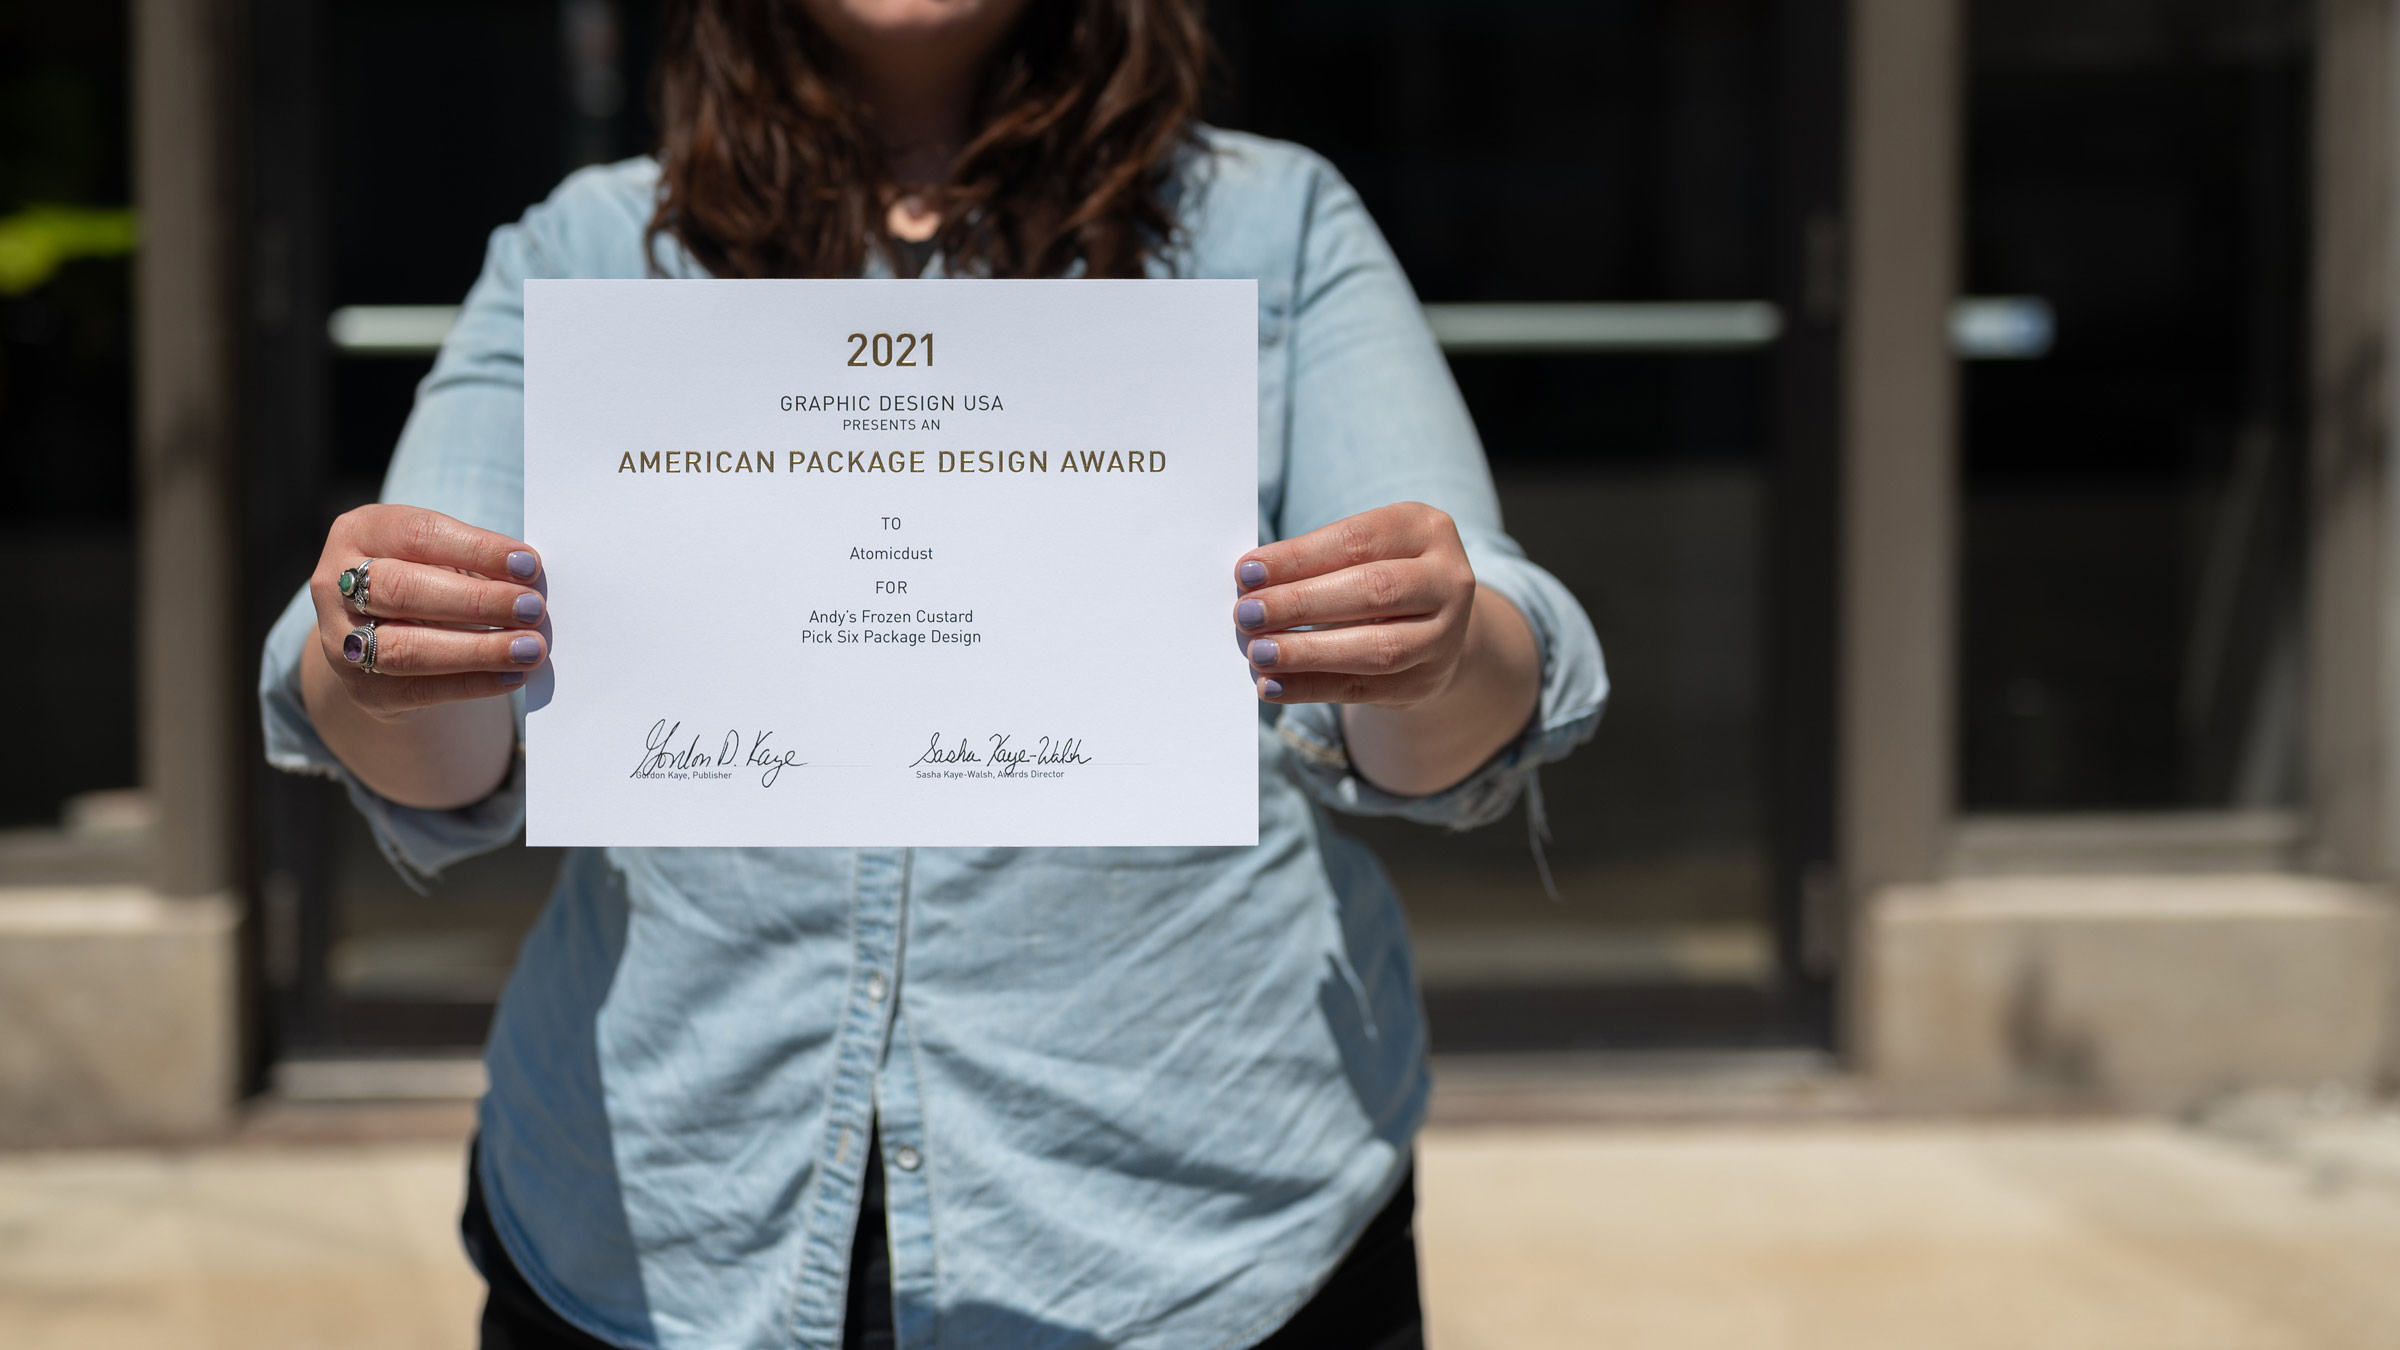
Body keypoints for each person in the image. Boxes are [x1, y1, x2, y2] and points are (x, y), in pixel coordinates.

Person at [258, 0, 1606, 1345]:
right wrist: (387, 653)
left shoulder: (1276, 224)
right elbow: (429, 736)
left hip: (1201, 1222)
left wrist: (1431, 649)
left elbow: (1463, 699)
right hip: (662, 1221)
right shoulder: (591, 246)